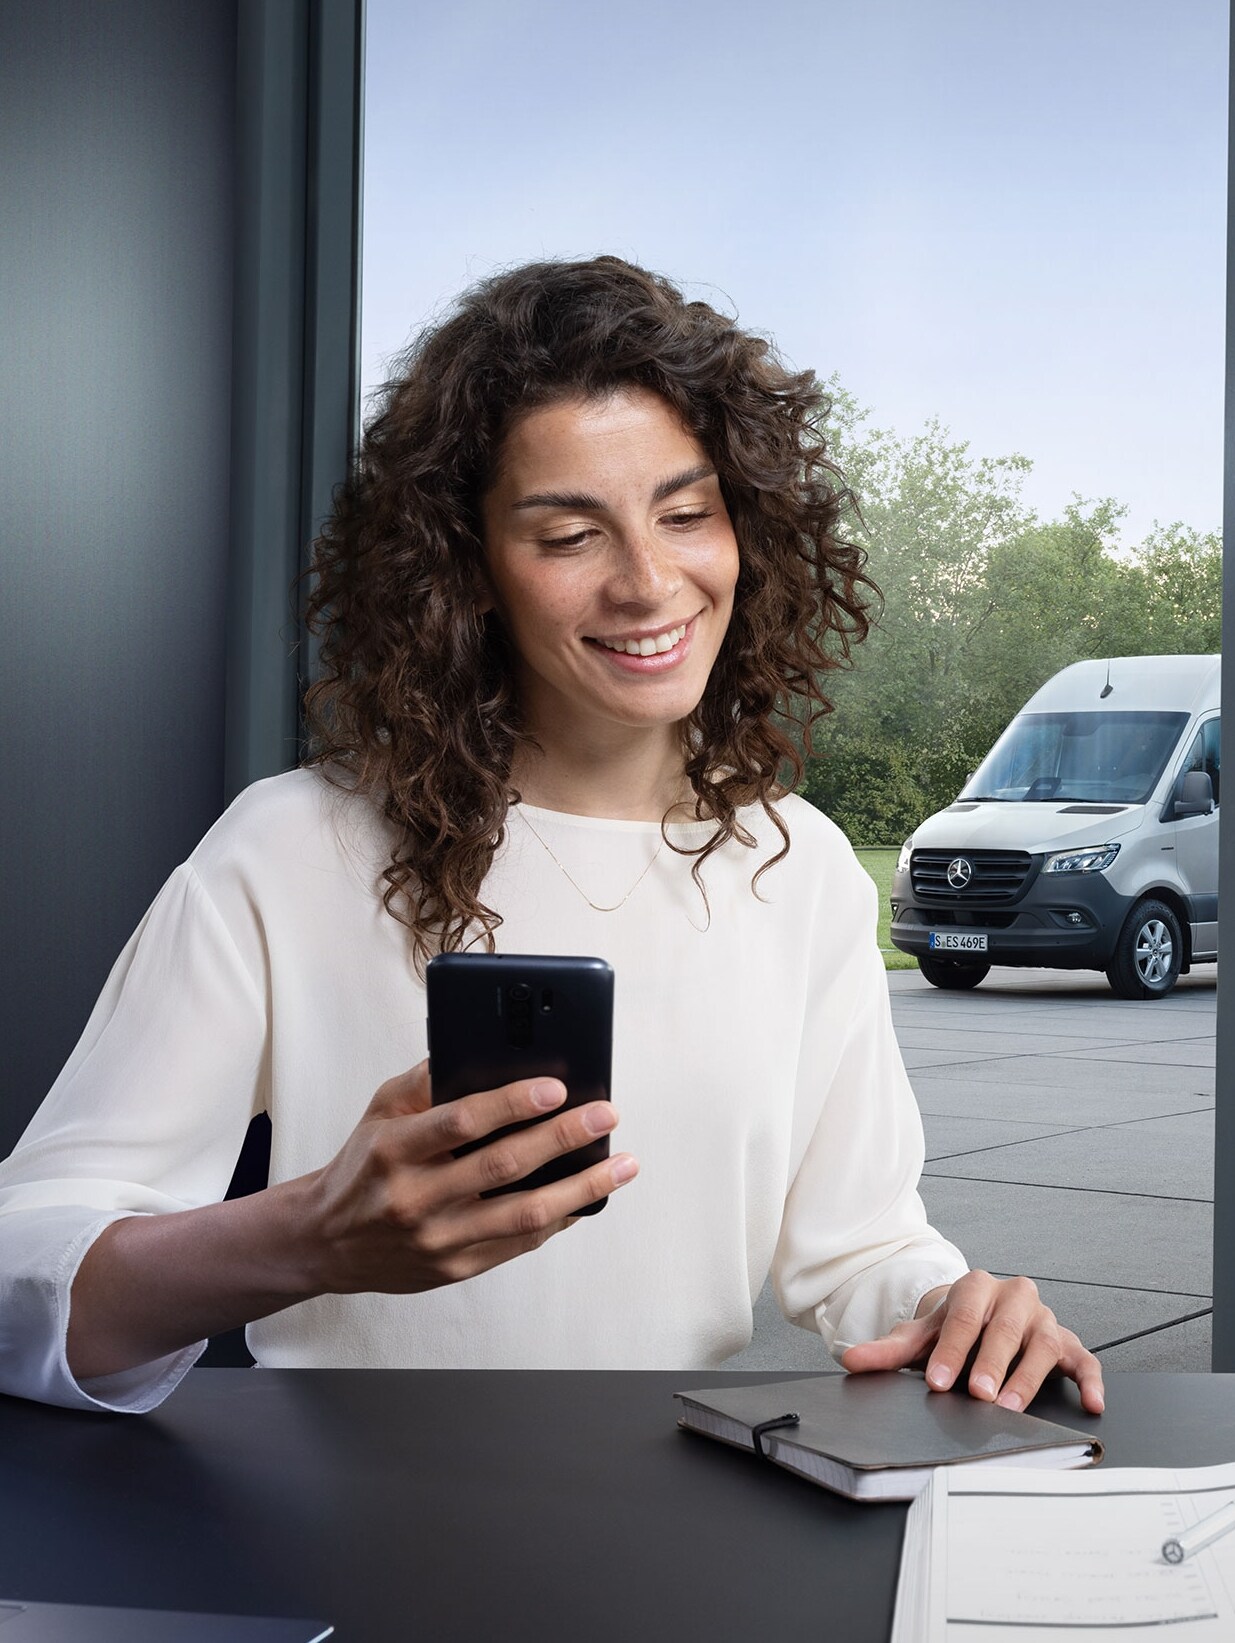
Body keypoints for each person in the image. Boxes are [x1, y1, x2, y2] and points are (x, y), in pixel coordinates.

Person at [0, 255, 1104, 1418]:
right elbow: (25, 1265)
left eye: (685, 514)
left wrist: (955, 1311)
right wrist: (309, 1236)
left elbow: (860, 1247)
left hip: (669, 1522)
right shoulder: (288, 848)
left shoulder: (804, 867)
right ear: (465, 570)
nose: (649, 582)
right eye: (569, 534)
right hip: (339, 1537)